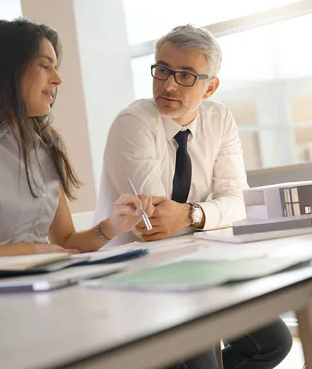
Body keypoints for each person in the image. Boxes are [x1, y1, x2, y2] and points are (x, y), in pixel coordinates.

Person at [95, 24, 292, 368]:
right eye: (163, 70)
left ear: (210, 86)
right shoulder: (133, 122)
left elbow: (237, 200)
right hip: (140, 277)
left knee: (274, 343)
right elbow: (153, 226)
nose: (169, 84)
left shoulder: (220, 120)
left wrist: (191, 215)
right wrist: (205, 214)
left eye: (186, 75)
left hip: (200, 270)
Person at [0, 18, 155, 268]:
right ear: (7, 69)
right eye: (45, 66)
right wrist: (36, 251)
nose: (57, 79)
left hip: (42, 280)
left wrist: (113, 225)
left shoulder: (46, 142)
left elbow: (65, 241)